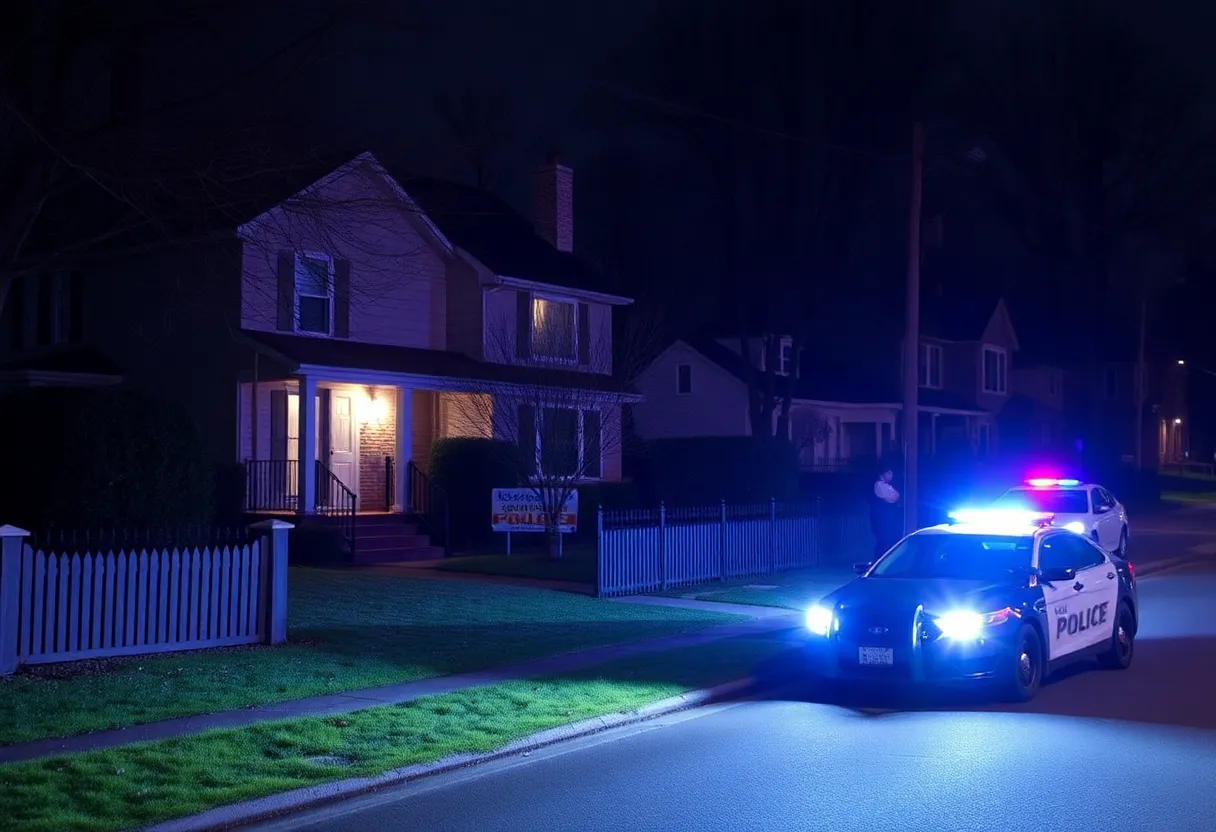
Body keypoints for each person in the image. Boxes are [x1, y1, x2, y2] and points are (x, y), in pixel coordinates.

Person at [871, 467, 901, 558]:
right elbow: (893, 497)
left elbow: (896, 496)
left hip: (887, 518)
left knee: (888, 539)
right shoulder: (879, 485)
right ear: (883, 474)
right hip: (882, 518)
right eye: (889, 473)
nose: (891, 476)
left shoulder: (887, 485)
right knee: (884, 540)